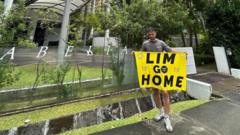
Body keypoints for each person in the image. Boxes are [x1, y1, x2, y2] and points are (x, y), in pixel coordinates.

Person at [141, 27, 173, 132]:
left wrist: (181, 54)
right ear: (148, 35)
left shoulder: (161, 43)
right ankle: (161, 112)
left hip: (161, 72)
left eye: (152, 34)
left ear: (155, 33)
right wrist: (135, 54)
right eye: (149, 34)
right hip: (151, 73)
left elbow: (170, 51)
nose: (151, 36)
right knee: (155, 92)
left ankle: (167, 118)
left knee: (164, 92)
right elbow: (141, 56)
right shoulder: (145, 44)